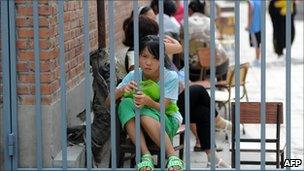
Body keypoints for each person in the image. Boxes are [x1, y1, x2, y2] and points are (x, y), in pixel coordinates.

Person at [113, 35, 184, 171]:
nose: (148, 62)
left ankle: (172, 156)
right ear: (138, 56)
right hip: (139, 127)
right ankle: (146, 155)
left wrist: (148, 101)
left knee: (144, 111)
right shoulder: (134, 75)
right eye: (144, 56)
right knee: (125, 103)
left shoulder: (170, 76)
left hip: (167, 121)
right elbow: (107, 103)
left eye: (155, 58)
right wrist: (122, 90)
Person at [180, 0, 229, 81]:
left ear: (190, 10)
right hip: (214, 63)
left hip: (194, 65)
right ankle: (222, 82)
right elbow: (216, 37)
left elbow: (182, 41)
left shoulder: (184, 22)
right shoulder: (210, 21)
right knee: (224, 54)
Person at [246, 0, 262, 67]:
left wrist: (248, 25)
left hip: (254, 27)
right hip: (260, 26)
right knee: (258, 43)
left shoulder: (250, 2)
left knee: (256, 44)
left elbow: (250, 14)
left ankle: (257, 59)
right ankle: (257, 59)